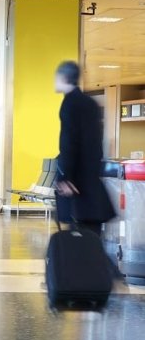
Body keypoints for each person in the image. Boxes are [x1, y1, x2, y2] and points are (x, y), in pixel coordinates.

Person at [54, 61, 116, 236]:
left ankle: (83, 261)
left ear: (64, 78)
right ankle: (94, 260)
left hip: (76, 182)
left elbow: (69, 142)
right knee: (92, 234)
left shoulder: (69, 104)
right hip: (91, 180)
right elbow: (96, 143)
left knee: (78, 233)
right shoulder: (91, 103)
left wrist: (66, 177)